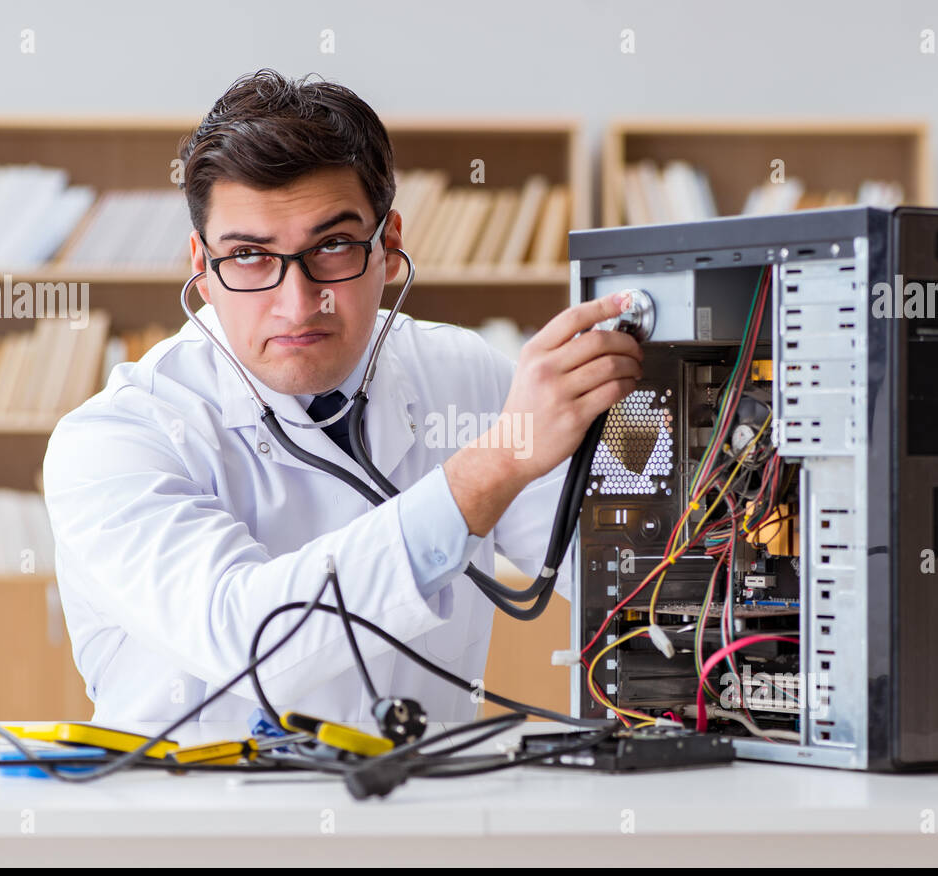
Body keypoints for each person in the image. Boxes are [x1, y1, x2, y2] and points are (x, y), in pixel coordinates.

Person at [42, 68, 643, 726]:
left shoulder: (463, 375)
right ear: (202, 267)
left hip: (423, 788)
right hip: (198, 793)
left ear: (388, 245)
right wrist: (490, 468)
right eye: (249, 255)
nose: (297, 303)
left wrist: (660, 424)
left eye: (332, 246)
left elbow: (620, 574)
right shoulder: (115, 438)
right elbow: (252, 644)